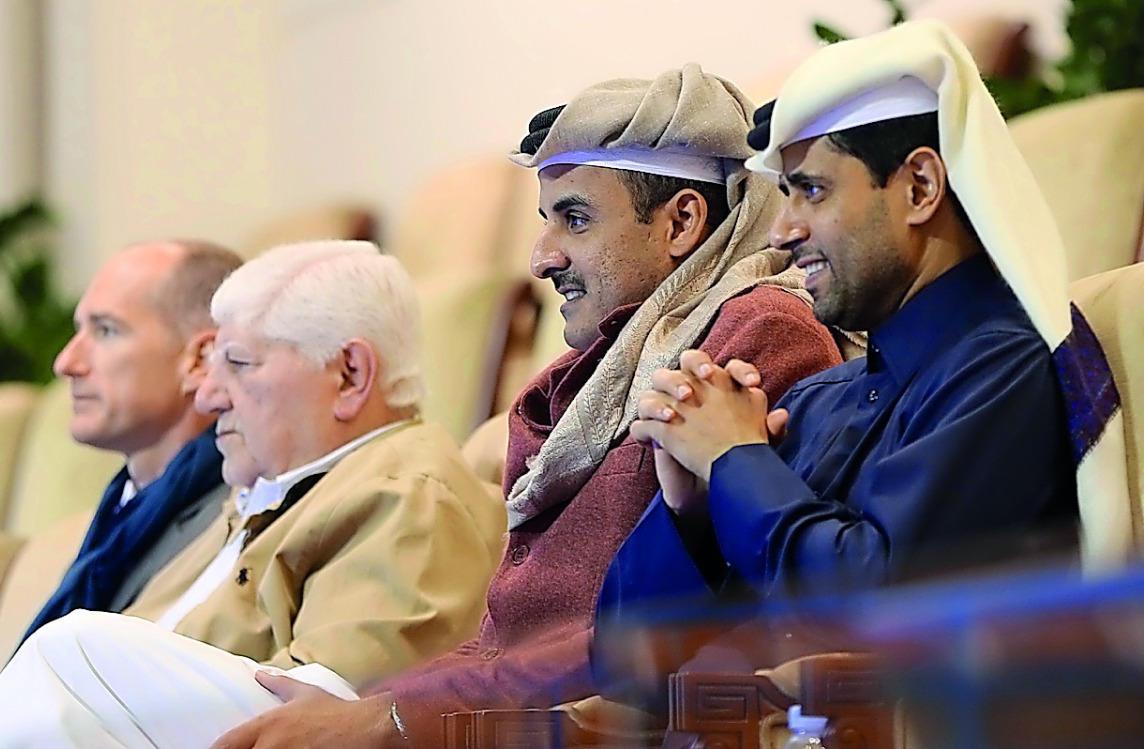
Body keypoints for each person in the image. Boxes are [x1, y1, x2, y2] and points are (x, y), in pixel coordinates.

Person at [203, 65, 846, 749]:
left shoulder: (761, 335)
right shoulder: (593, 368)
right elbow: (506, 642)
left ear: (681, 222)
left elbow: (648, 643)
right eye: (546, 222)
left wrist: (392, 720)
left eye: (575, 219)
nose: (541, 259)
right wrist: (365, 705)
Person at [600, 20, 1121, 636]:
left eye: (812, 190)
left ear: (920, 187)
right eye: (785, 195)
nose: (782, 232)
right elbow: (624, 658)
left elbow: (879, 615)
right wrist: (692, 507)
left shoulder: (1005, 370)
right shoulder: (815, 402)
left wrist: (736, 460)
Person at [0, 241, 507, 748]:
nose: (209, 395)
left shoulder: (408, 493)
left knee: (72, 647)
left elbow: (323, 722)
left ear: (349, 374)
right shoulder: (259, 501)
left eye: (239, 364)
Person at [23, 240, 242, 640]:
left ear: (201, 360)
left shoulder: (241, 518)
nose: (67, 363)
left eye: (106, 330)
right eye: (79, 330)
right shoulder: (119, 514)